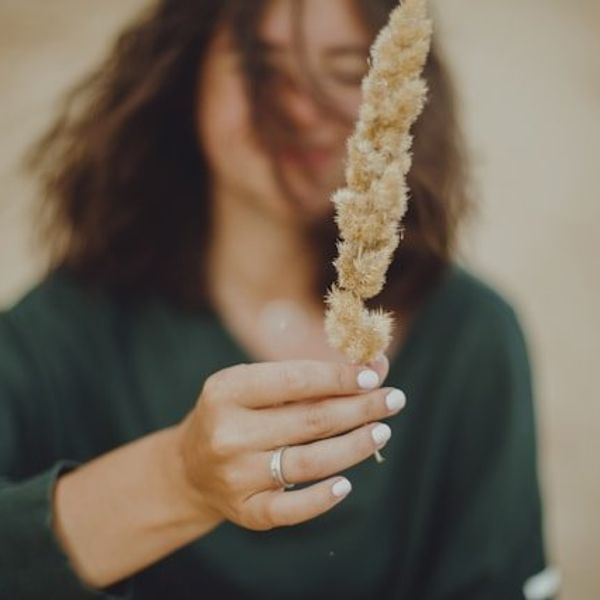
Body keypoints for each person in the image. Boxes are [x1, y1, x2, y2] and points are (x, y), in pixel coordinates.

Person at [0, 0, 548, 598]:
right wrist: (180, 479)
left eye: (344, 70)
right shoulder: (60, 334)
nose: (301, 107)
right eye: (264, 68)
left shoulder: (472, 337)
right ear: (185, 78)